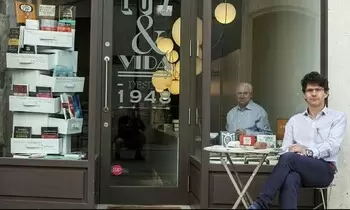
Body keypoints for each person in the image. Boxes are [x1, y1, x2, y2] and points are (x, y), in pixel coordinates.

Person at [249, 72, 347, 209]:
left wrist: (307, 151)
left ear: (326, 93)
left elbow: (333, 146)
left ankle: (261, 203)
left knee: (290, 158)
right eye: (309, 90)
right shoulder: (294, 121)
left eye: (318, 90)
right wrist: (268, 145)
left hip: (323, 169)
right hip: (297, 167)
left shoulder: (337, 118)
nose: (313, 93)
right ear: (304, 95)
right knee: (290, 178)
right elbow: (285, 150)